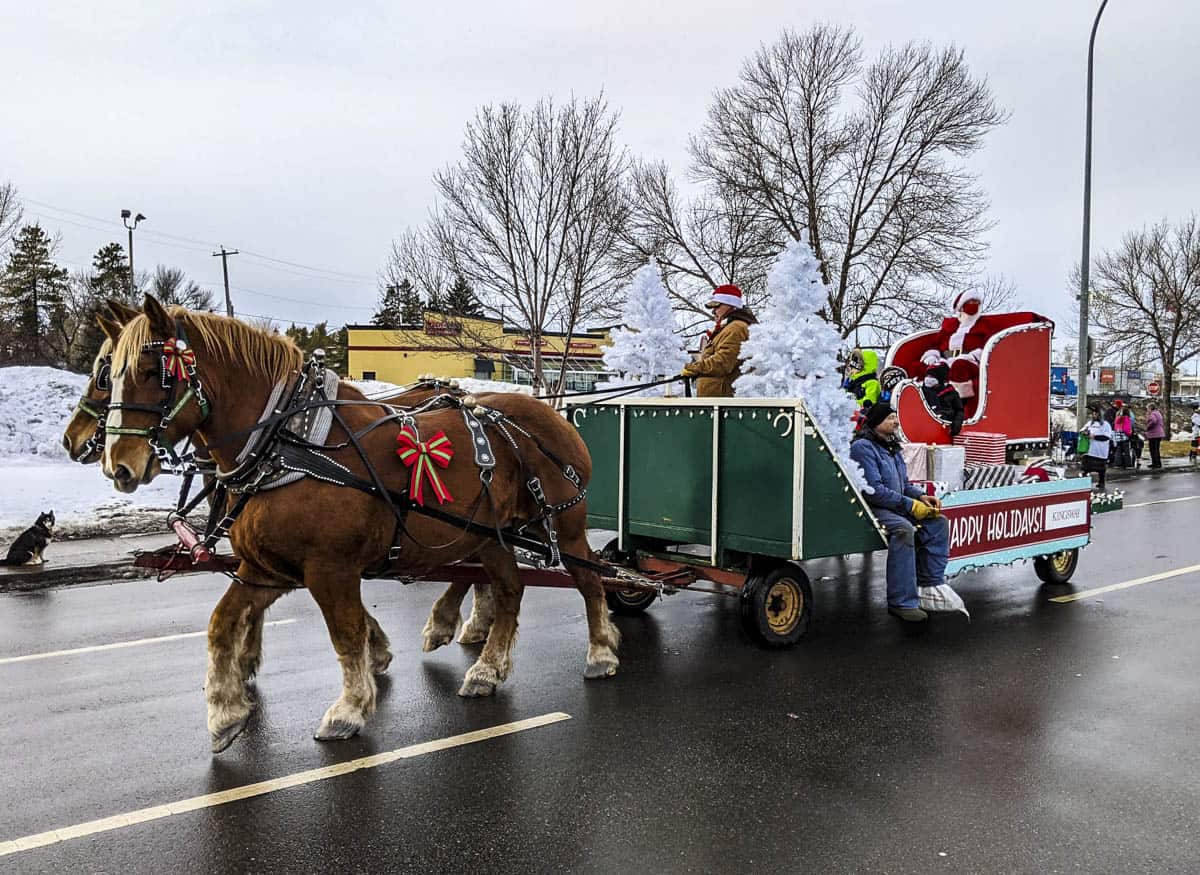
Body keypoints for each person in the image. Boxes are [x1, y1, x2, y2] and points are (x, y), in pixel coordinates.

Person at [849, 402, 950, 623]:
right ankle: (901, 602)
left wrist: (920, 496)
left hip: (895, 505)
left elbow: (903, 484)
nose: (895, 422)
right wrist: (910, 506)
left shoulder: (892, 447)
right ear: (876, 422)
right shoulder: (863, 447)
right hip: (873, 508)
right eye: (890, 418)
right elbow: (873, 491)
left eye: (895, 417)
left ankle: (929, 585)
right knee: (904, 529)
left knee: (938, 523)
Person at [680, 284, 757, 398]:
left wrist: (693, 368)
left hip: (723, 405)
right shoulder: (727, 328)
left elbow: (723, 363)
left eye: (717, 307)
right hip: (717, 401)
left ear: (731, 305)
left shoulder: (736, 328)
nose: (713, 312)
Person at [920, 360, 965, 437]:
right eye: (927, 376)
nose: (928, 379)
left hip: (943, 430)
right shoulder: (921, 391)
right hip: (925, 428)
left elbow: (959, 410)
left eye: (932, 377)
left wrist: (957, 423)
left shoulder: (951, 393)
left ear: (940, 379)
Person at [1081, 406, 1114, 491]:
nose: (1094, 415)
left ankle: (1101, 482)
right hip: (1090, 451)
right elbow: (1082, 431)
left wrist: (1095, 436)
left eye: (1096, 414)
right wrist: (1085, 433)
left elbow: (1107, 437)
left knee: (1101, 469)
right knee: (1086, 468)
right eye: (1093, 413)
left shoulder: (1106, 425)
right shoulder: (1090, 423)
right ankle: (1084, 484)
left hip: (1100, 451)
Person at [1145, 402, 1165, 469]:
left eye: (1147, 408)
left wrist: (1148, 426)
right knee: (1157, 449)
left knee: (1153, 449)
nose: (1147, 410)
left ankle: (1155, 463)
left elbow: (1153, 421)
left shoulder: (1152, 414)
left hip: (1154, 434)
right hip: (1159, 433)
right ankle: (1158, 463)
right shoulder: (1158, 413)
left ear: (1150, 408)